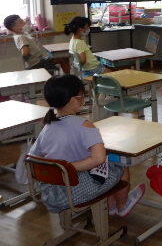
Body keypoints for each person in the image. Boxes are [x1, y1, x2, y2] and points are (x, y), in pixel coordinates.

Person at [29, 75, 144, 216]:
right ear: (73, 100)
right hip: (71, 192)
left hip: (50, 193)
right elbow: (99, 158)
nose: (83, 99)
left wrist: (61, 167)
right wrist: (68, 167)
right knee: (120, 165)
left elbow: (32, 157)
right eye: (82, 96)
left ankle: (111, 206)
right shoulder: (84, 125)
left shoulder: (48, 126)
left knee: (101, 167)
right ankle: (121, 206)